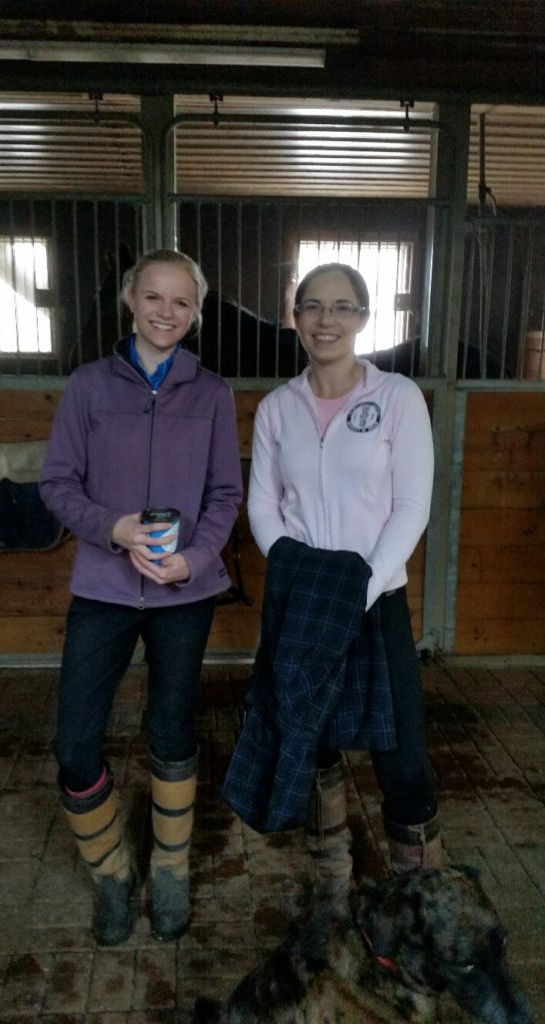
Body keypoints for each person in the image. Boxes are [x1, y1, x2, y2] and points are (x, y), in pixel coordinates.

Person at [40, 248, 243, 946]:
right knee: (74, 742)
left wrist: (191, 560)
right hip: (103, 585)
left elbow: (225, 494)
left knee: (172, 733)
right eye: (154, 297)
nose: (166, 312)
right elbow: (58, 484)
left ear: (195, 312)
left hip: (184, 593)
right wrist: (113, 528)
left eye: (181, 302)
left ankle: (171, 872)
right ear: (130, 300)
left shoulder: (211, 392)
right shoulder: (88, 387)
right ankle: (112, 874)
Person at [244, 262, 441, 899]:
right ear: (295, 317)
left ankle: (421, 900)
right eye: (312, 307)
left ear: (362, 318)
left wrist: (357, 587)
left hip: (373, 599)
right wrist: (302, 576)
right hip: (303, 601)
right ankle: (332, 896)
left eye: (342, 306)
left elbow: (412, 506)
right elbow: (263, 506)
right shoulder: (278, 407)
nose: (326, 319)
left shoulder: (398, 398)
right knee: (314, 741)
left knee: (402, 756)